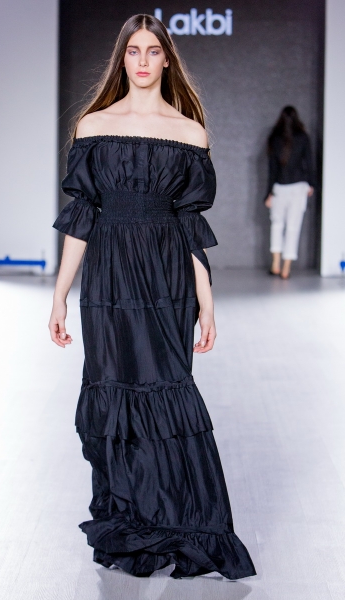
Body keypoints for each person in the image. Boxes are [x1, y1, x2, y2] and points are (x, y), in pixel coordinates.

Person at [49, 14, 256, 580]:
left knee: (168, 389)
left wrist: (207, 302)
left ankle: (186, 523)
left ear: (168, 59)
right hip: (109, 281)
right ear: (122, 59)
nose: (142, 61)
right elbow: (81, 218)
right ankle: (131, 523)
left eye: (153, 50)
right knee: (114, 390)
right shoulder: (93, 125)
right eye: (133, 51)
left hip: (167, 281)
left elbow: (190, 226)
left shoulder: (190, 132)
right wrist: (60, 294)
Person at [265, 106, 315, 279]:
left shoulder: (274, 138)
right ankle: (286, 268)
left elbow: (272, 169)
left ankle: (275, 265)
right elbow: (309, 162)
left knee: (277, 225)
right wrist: (311, 184)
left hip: (280, 187)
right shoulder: (303, 137)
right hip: (299, 187)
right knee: (293, 227)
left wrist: (269, 193)